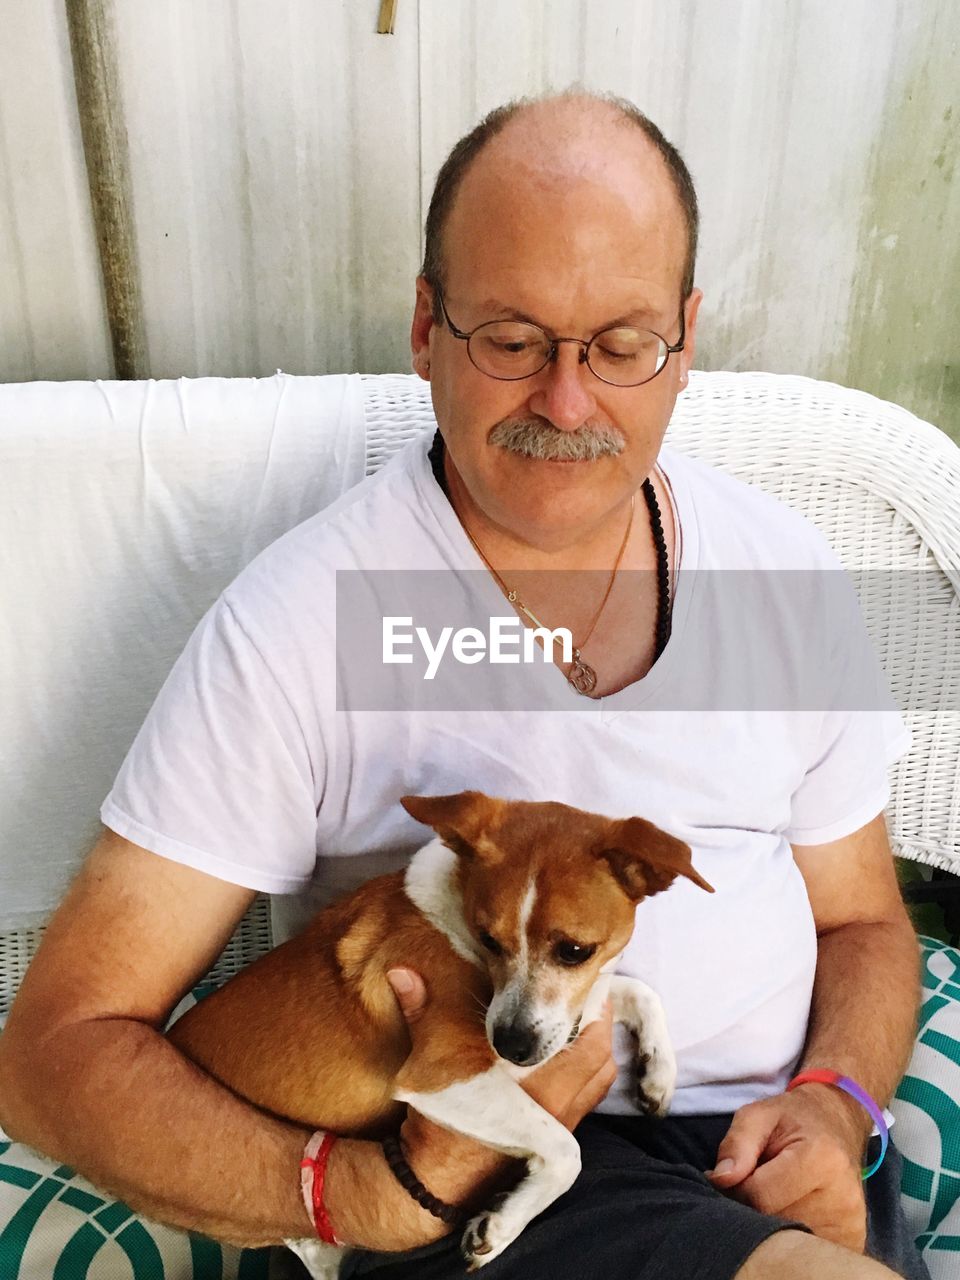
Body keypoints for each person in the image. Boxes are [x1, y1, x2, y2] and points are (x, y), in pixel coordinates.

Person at [0, 90, 926, 1280]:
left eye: (621, 343)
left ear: (685, 343)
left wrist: (840, 1098)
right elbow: (52, 1053)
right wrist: (353, 1196)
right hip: (496, 1175)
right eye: (514, 337)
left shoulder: (785, 576)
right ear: (427, 328)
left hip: (781, 1157)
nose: (568, 399)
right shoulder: (303, 623)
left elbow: (864, 921)